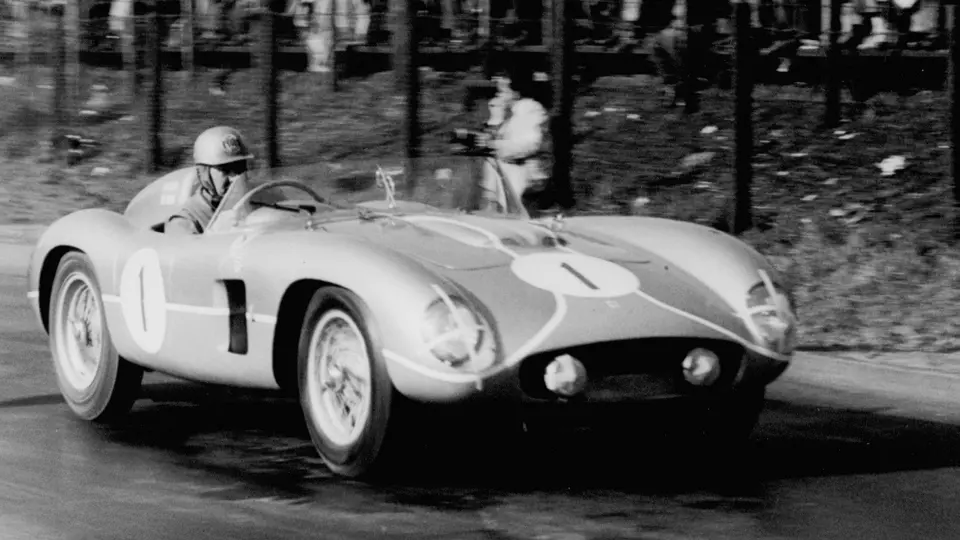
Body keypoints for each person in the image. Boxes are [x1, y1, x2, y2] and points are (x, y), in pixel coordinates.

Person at [476, 65, 550, 213]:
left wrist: (494, 145)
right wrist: (496, 117)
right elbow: (491, 138)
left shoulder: (529, 108)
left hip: (518, 181)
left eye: (503, 78)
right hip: (495, 183)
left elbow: (528, 144)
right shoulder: (501, 109)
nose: (498, 83)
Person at [167, 126, 255, 235]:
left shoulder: (256, 201)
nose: (235, 177)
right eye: (225, 170)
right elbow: (180, 250)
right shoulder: (184, 223)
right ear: (205, 173)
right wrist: (214, 232)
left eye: (239, 169)